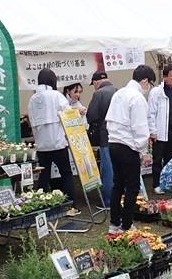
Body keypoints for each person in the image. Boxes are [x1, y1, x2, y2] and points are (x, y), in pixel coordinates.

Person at [106, 64, 156, 234]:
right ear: (145, 81)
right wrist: (144, 151)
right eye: (150, 84)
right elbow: (140, 127)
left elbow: (109, 120)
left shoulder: (119, 93)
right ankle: (127, 224)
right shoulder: (137, 98)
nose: (149, 88)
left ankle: (114, 223)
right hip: (128, 146)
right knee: (132, 187)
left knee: (117, 185)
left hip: (113, 143)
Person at [28, 69, 75, 201]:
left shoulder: (32, 99)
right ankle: (71, 204)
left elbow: (31, 122)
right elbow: (68, 114)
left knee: (44, 176)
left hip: (42, 146)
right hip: (58, 144)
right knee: (66, 174)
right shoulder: (56, 95)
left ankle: (42, 206)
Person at [148, 64, 172, 193]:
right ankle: (156, 184)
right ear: (165, 77)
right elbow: (151, 113)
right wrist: (153, 131)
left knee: (170, 159)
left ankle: (168, 184)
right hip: (160, 131)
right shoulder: (156, 92)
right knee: (157, 159)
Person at [86, 71, 117, 207]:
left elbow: (91, 116)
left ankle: (109, 200)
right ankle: (120, 198)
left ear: (96, 82)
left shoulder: (98, 93)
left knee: (107, 168)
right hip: (120, 137)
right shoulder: (118, 91)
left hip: (105, 136)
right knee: (119, 168)